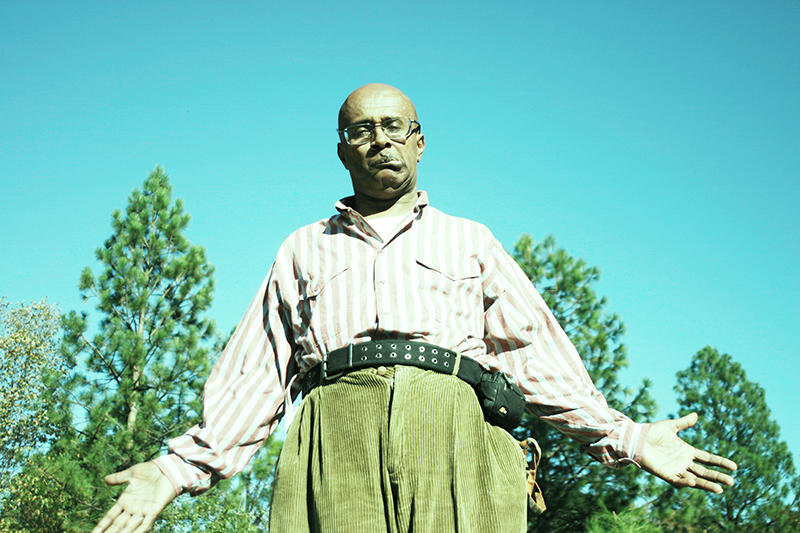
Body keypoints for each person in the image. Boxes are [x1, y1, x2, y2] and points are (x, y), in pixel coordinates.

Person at [92, 84, 737, 533]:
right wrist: (178, 469)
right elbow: (256, 377)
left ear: (420, 142)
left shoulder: (469, 240)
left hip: (455, 433)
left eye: (394, 126)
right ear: (342, 150)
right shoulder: (302, 248)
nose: (380, 140)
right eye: (361, 130)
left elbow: (536, 355)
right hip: (335, 433)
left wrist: (624, 435)